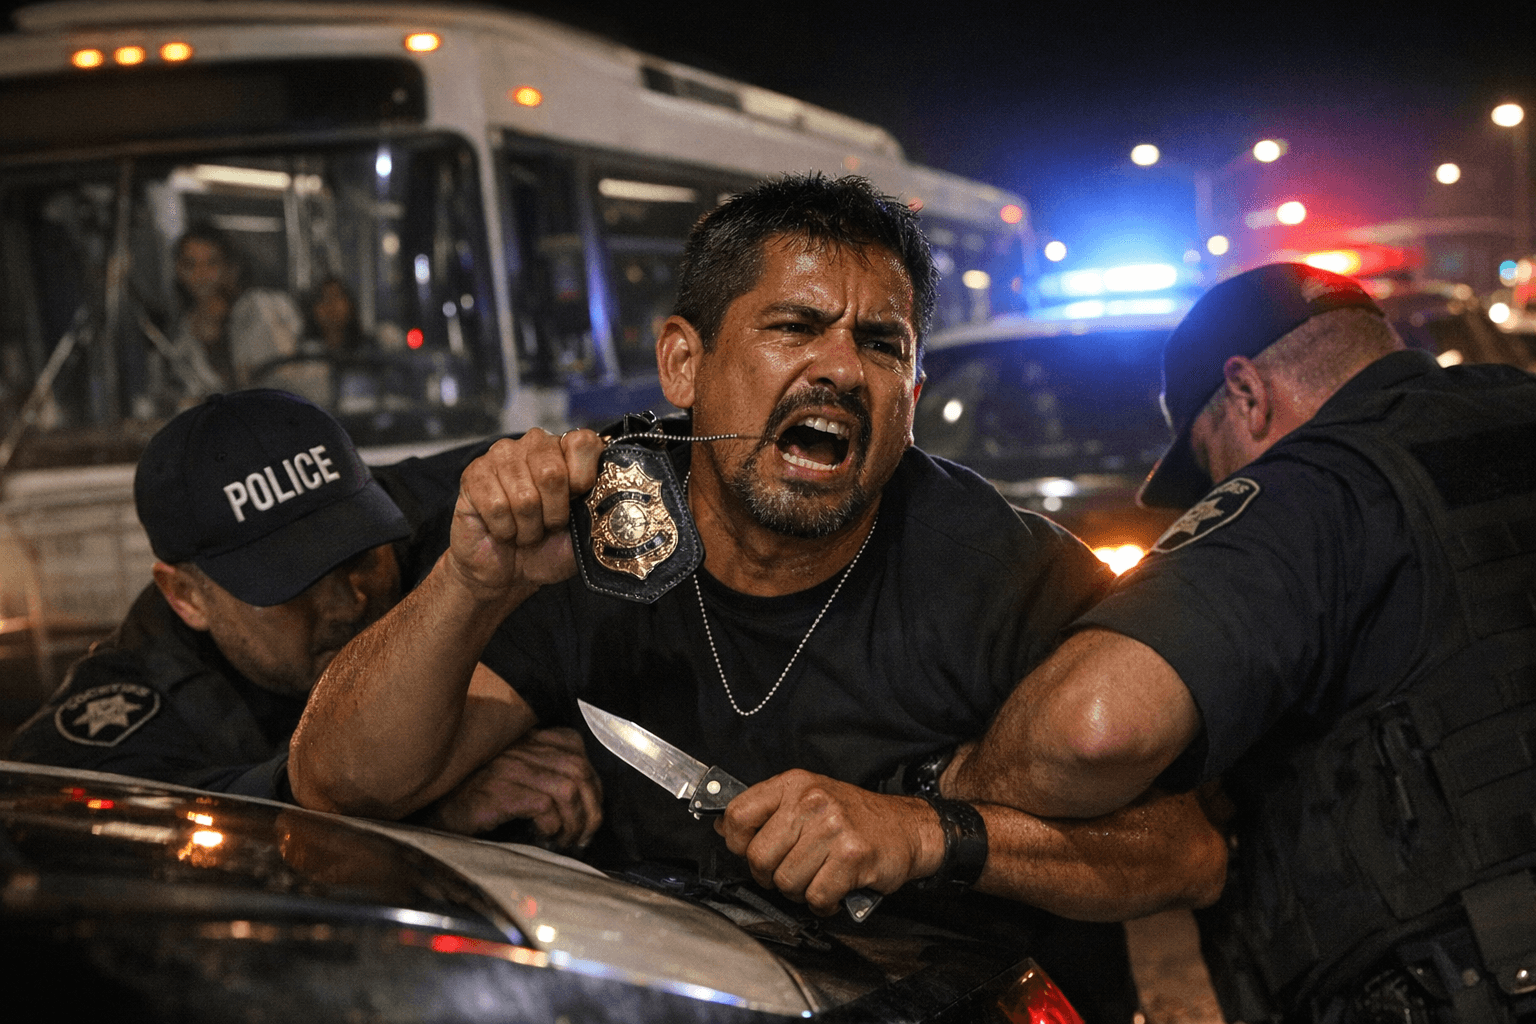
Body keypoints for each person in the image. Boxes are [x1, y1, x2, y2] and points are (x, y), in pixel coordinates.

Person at [289, 174, 1226, 1021]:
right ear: (683, 366)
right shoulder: (604, 532)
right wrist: (471, 583)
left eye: (880, 343)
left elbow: (1187, 852)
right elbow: (340, 784)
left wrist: (929, 835)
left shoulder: (1008, 573)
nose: (840, 369)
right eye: (793, 327)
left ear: (912, 390)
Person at [947, 262, 1536, 1024]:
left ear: (1249, 394)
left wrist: (953, 794)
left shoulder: (1313, 486)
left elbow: (1091, 730)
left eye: (1206, 458)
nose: (1213, 487)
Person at [7, 389, 601, 849]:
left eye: (358, 553)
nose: (347, 602)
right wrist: (417, 806)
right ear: (186, 595)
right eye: (291, 583)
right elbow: (45, 826)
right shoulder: (140, 691)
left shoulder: (475, 515)